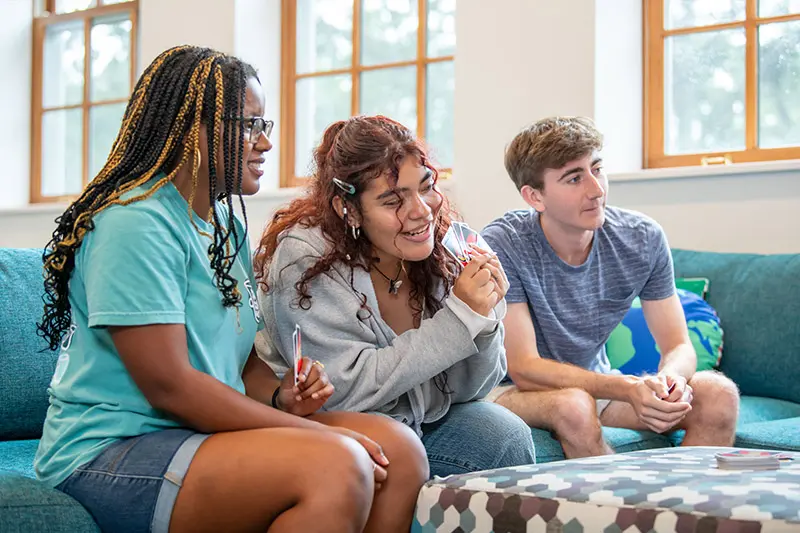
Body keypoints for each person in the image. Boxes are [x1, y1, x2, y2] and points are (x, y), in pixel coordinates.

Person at [34, 46, 427, 533]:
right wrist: (305, 431)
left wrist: (283, 399)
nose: (264, 143)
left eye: (266, 126)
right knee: (336, 464)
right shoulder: (134, 222)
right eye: (248, 125)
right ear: (190, 130)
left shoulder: (223, 223)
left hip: (199, 433)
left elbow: (241, 365)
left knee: (401, 451)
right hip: (114, 449)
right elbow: (170, 386)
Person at [254, 115, 536, 478]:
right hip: (331, 425)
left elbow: (471, 391)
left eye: (426, 186)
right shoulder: (305, 258)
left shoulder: (443, 249)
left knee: (505, 434)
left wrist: (483, 321)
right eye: (392, 201)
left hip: (418, 422)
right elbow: (342, 391)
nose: (421, 211)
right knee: (398, 446)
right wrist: (460, 318)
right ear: (349, 210)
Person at [481, 116, 740, 459]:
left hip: (595, 384)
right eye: (574, 178)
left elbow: (679, 344)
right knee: (573, 405)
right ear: (534, 196)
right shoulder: (504, 243)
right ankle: (623, 513)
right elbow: (524, 367)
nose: (596, 189)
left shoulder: (641, 238)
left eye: (597, 168)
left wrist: (668, 382)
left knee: (719, 394)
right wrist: (628, 388)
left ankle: (679, 507)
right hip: (508, 390)